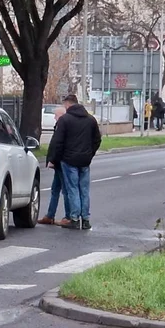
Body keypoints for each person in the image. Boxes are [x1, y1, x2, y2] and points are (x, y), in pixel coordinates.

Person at [46, 94, 102, 230]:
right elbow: (97, 140)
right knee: (84, 189)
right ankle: (86, 219)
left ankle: (75, 218)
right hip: (85, 161)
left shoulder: (65, 120)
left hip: (69, 160)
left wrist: (55, 159)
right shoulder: (90, 120)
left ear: (68, 104)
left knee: (72, 189)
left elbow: (58, 142)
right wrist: (90, 154)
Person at [38, 104, 71, 225]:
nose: (54, 118)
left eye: (56, 115)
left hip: (61, 162)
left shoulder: (63, 127)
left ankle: (68, 216)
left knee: (66, 190)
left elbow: (59, 146)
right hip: (58, 163)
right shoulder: (58, 126)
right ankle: (50, 215)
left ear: (61, 116)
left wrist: (53, 160)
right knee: (55, 189)